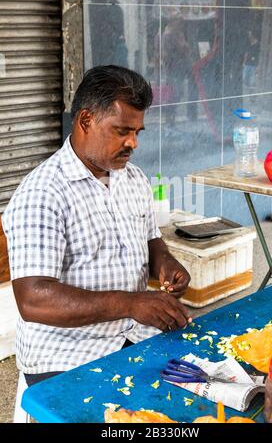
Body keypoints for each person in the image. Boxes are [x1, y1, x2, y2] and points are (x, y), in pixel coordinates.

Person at [2, 65, 191, 387]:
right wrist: (130, 303)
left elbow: (151, 240)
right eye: (122, 131)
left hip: (133, 333)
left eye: (137, 132)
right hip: (67, 353)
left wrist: (167, 264)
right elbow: (33, 299)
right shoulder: (43, 192)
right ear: (86, 120)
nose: (133, 143)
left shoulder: (132, 178)